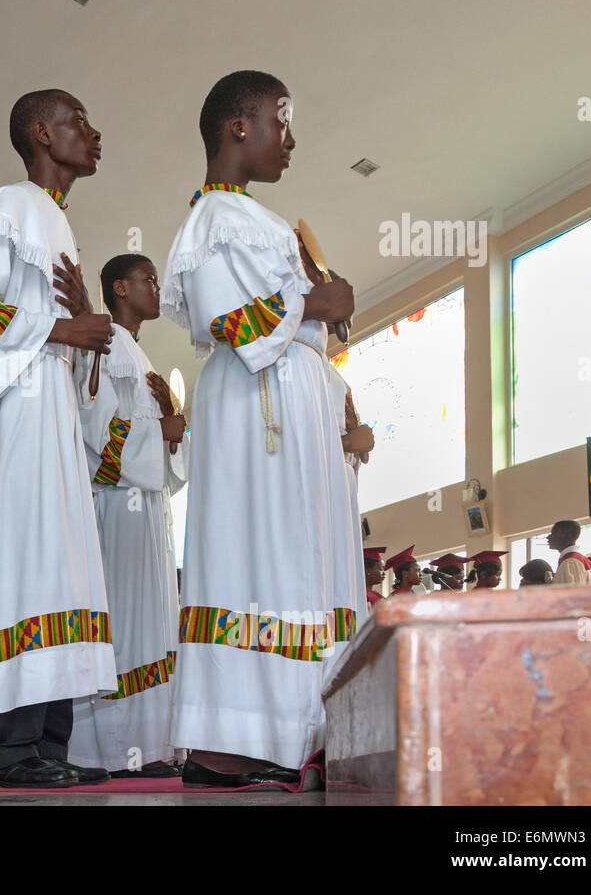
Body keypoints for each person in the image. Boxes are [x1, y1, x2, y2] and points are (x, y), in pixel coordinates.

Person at [160, 71, 363, 789]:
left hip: (287, 404)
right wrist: (316, 298)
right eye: (282, 119)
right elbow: (233, 322)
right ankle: (235, 741)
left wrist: (321, 307)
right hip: (257, 408)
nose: (292, 137)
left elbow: (288, 316)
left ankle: (297, 727)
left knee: (296, 559)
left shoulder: (254, 218)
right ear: (238, 127)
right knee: (263, 562)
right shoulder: (216, 218)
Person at [0, 89, 117, 789]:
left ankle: (46, 746)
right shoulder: (6, 207)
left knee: (56, 568)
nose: (95, 133)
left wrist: (85, 332)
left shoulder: (58, 222)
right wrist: (61, 330)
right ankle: (7, 750)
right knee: (20, 565)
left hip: (52, 420)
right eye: (79, 121)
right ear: (42, 132)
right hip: (12, 419)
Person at [68, 254, 187, 778]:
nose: (157, 290)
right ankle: (112, 751)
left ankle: (151, 743)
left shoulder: (138, 354)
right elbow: (93, 428)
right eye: (148, 280)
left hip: (147, 510)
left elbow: (166, 452)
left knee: (152, 623)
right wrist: (160, 432)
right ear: (120, 287)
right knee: (125, 623)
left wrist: (169, 424)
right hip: (116, 505)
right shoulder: (111, 344)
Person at [548, 520, 591, 585]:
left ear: (568, 535)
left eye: (554, 533)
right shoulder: (586, 562)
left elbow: (573, 594)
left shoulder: (570, 562)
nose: (548, 537)